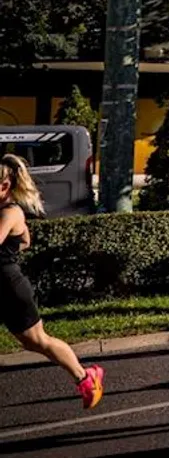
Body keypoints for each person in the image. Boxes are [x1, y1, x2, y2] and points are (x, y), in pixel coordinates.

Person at [0, 154, 105, 407]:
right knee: (32, 341)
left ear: (4, 187)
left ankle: (86, 377)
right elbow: (25, 241)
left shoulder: (10, 212)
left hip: (10, 289)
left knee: (37, 341)